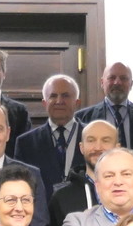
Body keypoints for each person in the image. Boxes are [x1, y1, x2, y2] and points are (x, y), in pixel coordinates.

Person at [14, 74, 83, 206]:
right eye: (53, 96)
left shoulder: (93, 138)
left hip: (85, 214)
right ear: (44, 103)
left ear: (77, 102)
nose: (59, 101)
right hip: (42, 215)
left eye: (65, 95)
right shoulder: (25, 143)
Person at [74, 62, 133, 155]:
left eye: (123, 78)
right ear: (102, 82)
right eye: (112, 78)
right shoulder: (82, 118)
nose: (117, 82)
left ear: (131, 84)